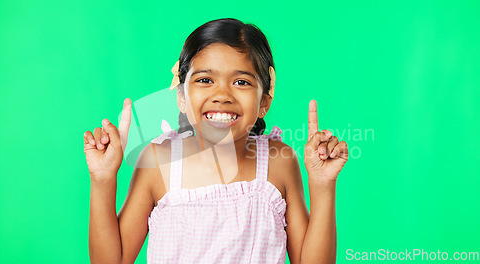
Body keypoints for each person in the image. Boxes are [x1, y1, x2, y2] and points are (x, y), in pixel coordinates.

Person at [84, 18, 349, 264]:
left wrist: (322, 184)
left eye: (241, 82)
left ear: (264, 102)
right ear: (182, 96)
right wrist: (103, 178)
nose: (222, 94)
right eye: (205, 80)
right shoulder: (158, 162)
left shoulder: (279, 162)